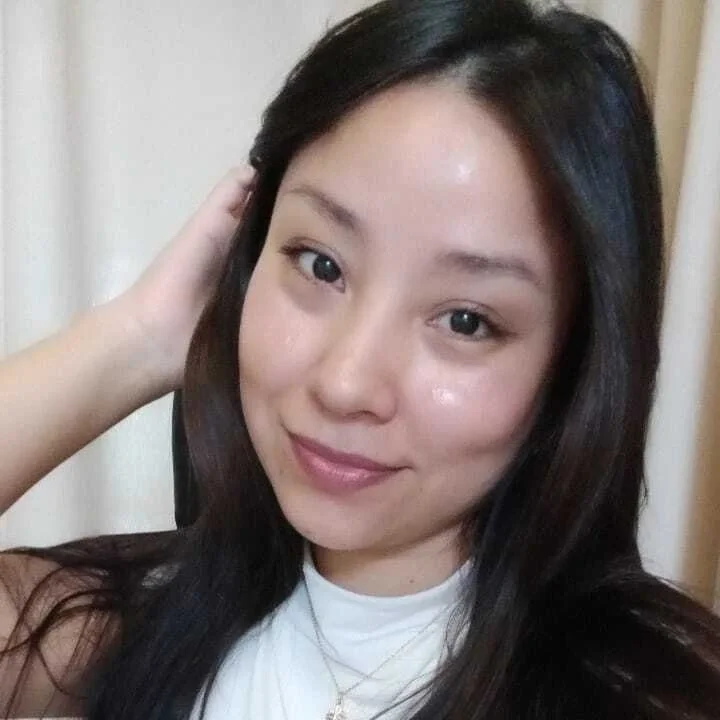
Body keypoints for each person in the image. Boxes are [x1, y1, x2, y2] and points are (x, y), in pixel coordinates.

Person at [1, 0, 719, 717]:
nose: (345, 384)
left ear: (571, 368)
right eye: (320, 264)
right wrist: (142, 338)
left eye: (466, 321)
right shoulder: (118, 631)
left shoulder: (655, 699)